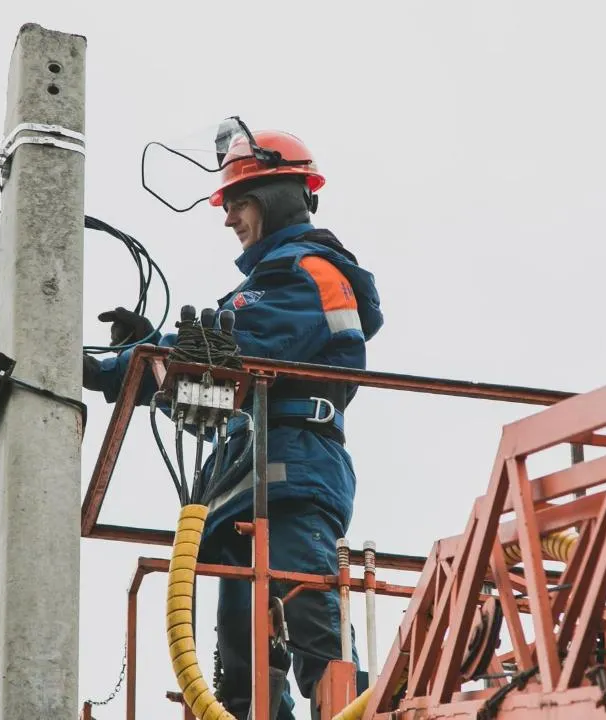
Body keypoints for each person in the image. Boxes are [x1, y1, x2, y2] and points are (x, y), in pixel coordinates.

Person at [82, 128, 384, 719]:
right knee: (242, 668)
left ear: (276, 197)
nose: (229, 219)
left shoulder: (307, 272)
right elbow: (216, 372)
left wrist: (123, 365)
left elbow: (240, 348)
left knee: (311, 621)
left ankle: (352, 712)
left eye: (239, 203)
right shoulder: (274, 280)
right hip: (245, 480)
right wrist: (145, 352)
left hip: (291, 467)